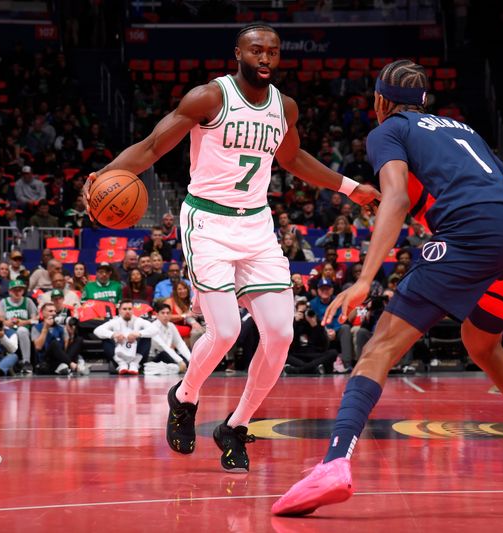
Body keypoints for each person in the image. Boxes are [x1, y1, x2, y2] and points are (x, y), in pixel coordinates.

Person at [273, 59, 503, 515]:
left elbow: (397, 197)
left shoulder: (388, 132)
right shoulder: (463, 132)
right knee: (483, 345)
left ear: (380, 101)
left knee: (379, 348)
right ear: (424, 101)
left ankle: (334, 463)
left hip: (472, 232)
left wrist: (364, 279)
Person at [85, 23, 378, 473]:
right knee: (224, 332)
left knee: (280, 334)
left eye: (273, 52)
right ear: (237, 52)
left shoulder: (286, 107)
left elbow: (293, 159)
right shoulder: (209, 97)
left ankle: (236, 426)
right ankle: (184, 398)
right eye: (256, 50)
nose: (265, 58)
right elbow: (151, 147)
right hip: (206, 221)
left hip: (257, 225)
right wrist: (103, 175)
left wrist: (350, 187)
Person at [93, 300, 155, 375]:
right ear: (119, 311)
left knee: (146, 337)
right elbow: (97, 330)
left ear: (133, 310)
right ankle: (121, 364)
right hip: (119, 358)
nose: (127, 311)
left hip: (137, 359)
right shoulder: (114, 321)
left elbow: (155, 329)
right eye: (124, 309)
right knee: (106, 338)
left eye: (130, 309)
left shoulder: (139, 321)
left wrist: (139, 334)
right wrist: (113, 334)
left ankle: (134, 364)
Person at [0, 279, 38, 374]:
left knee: (21, 330)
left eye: (20, 290)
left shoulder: (28, 301)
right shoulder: (3, 302)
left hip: (24, 329)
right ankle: (6, 363)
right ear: (10, 291)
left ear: (23, 291)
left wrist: (25, 322)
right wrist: (6, 322)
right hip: (8, 329)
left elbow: (36, 319)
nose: (17, 292)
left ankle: (27, 362)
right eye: (15, 290)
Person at [142, 303, 191, 375]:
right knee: (168, 355)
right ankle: (180, 367)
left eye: (168, 313)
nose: (166, 315)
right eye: (163, 313)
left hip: (169, 353)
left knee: (187, 359)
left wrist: (190, 359)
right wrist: (180, 361)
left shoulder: (171, 326)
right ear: (157, 315)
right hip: (155, 356)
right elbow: (163, 346)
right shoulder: (153, 327)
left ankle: (182, 367)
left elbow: (180, 343)